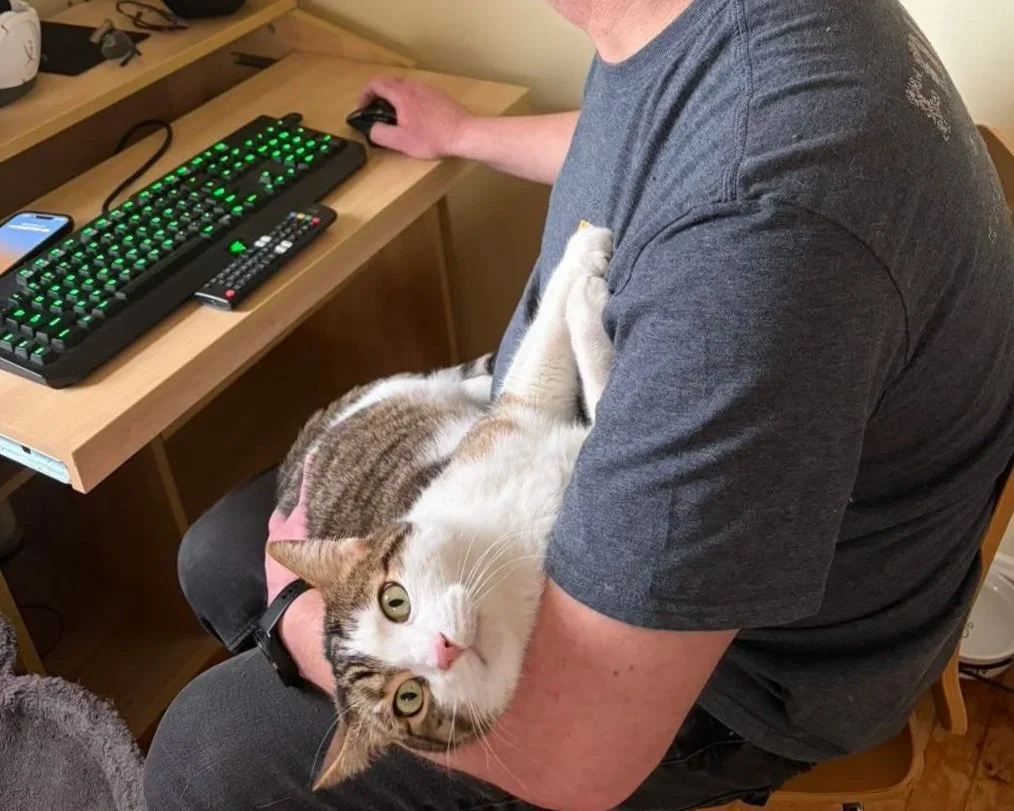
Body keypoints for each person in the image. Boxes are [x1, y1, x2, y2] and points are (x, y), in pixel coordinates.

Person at [143, 0, 1014, 808]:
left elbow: (584, 748)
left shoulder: (763, 226)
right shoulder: (677, 28)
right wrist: (467, 134)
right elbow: (655, 145)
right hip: (575, 458)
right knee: (216, 554)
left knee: (207, 753)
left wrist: (301, 630)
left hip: (742, 676)